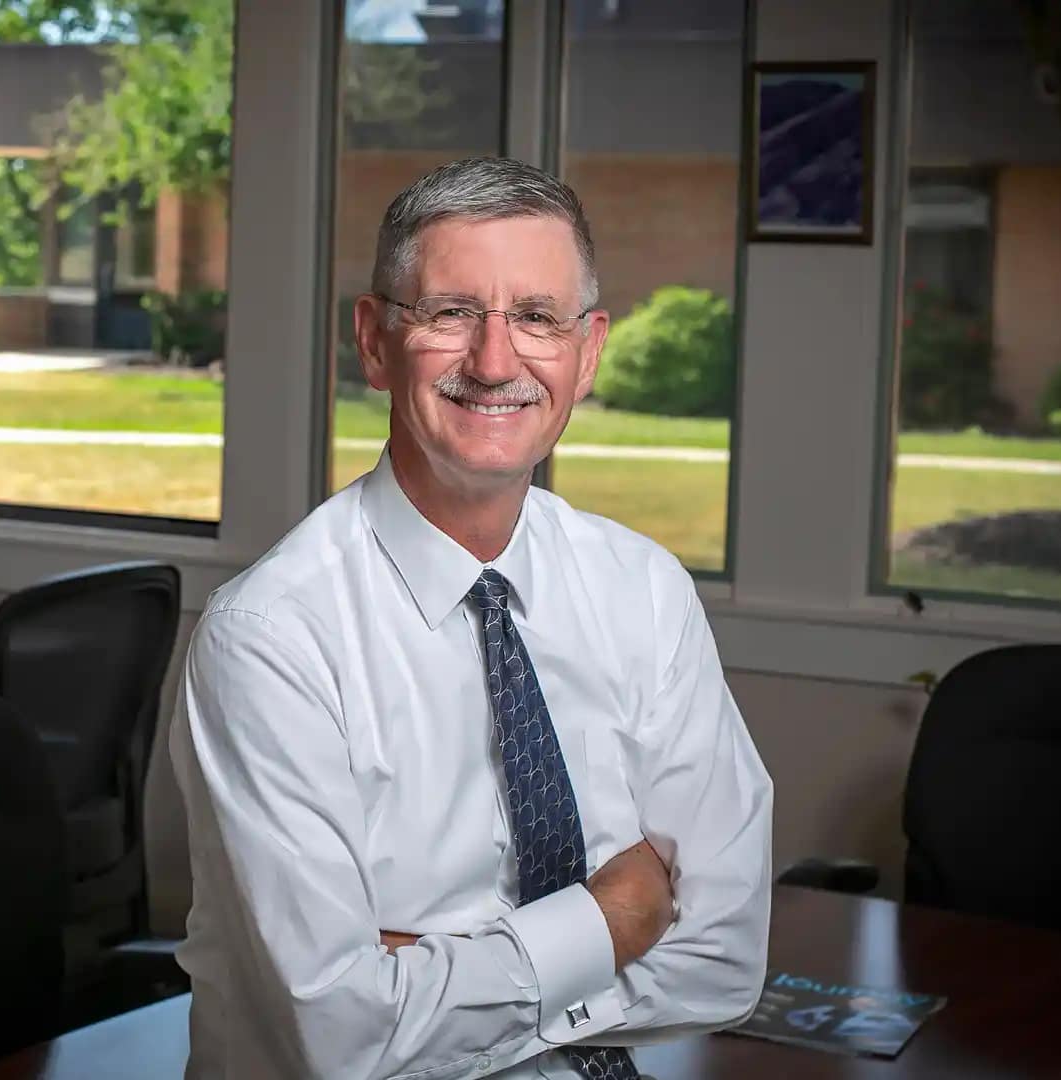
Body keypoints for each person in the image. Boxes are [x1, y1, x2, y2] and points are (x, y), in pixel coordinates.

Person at [171, 156, 774, 1079]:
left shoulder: (643, 590)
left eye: (537, 318)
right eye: (452, 313)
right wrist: (614, 921)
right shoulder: (272, 638)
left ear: (589, 351)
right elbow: (340, 1034)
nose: (496, 362)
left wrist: (429, 979)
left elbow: (725, 961)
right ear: (373, 341)